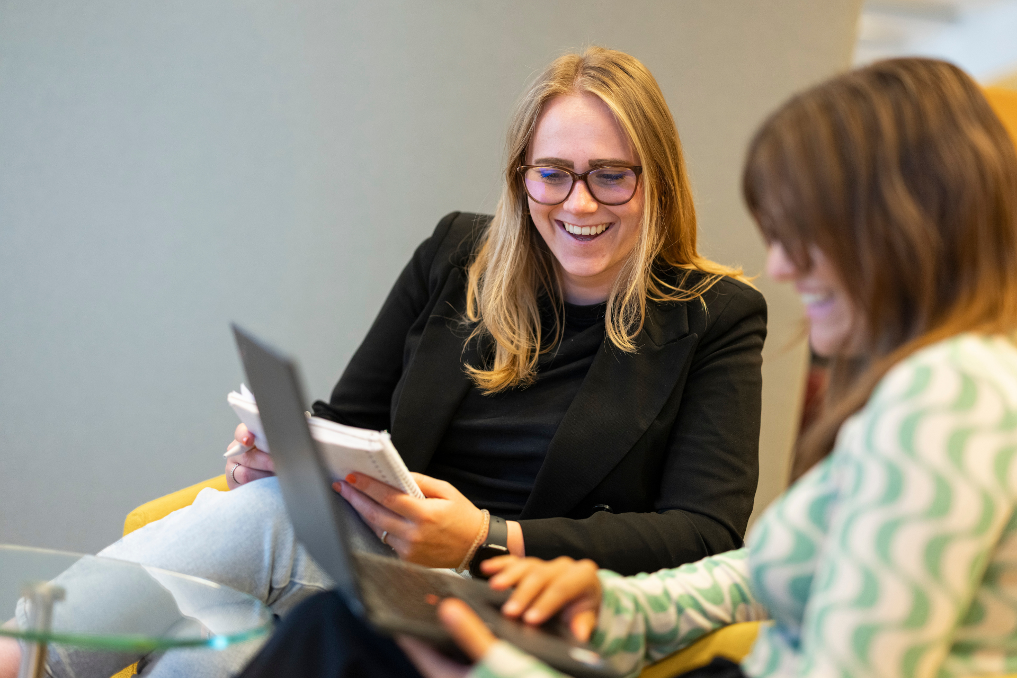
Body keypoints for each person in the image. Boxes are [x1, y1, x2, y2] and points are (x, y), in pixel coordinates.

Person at [235, 56, 1017, 678]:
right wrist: (613, 603)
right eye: (553, 174)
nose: (779, 265)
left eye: (801, 234)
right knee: (285, 584)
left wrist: (497, 646)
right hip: (560, 602)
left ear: (899, 230)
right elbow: (757, 573)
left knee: (327, 633)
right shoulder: (936, 387)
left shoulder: (945, 398)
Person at [0, 46, 765, 678]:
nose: (579, 203)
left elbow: (705, 534)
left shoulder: (716, 317)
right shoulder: (456, 255)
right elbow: (352, 422)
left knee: (268, 523)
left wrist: (487, 536)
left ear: (655, 178)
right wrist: (283, 454)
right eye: (553, 173)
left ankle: (16, 659)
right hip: (385, 565)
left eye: (610, 174)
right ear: (520, 177)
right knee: (210, 624)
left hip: (532, 602)